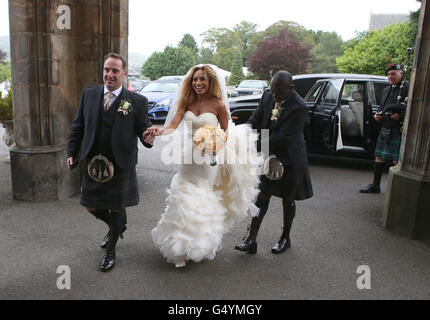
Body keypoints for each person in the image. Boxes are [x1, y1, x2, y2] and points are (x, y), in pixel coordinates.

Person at [145, 64, 260, 267]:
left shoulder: (219, 105)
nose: (198, 83)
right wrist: (158, 131)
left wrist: (215, 143)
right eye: (195, 79)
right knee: (182, 196)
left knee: (201, 199)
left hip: (208, 159)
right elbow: (172, 125)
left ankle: (197, 245)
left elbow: (225, 132)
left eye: (202, 79)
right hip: (188, 158)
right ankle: (178, 244)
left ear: (211, 82)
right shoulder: (186, 102)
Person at [66, 53, 154, 272]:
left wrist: (148, 136)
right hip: (93, 164)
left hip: (121, 164)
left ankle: (111, 250)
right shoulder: (89, 94)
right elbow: (78, 126)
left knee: (116, 208)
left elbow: (144, 128)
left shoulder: (137, 101)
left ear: (124, 74)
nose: (109, 74)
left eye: (115, 71)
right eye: (107, 69)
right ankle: (117, 226)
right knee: (89, 205)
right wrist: (71, 151)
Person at [235, 70, 313, 255]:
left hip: (290, 158)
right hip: (268, 154)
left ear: (290, 88)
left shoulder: (299, 107)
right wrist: (241, 132)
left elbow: (283, 136)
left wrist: (252, 145)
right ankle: (251, 239)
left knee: (288, 200)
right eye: (273, 92)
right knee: (263, 196)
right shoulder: (268, 95)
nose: (275, 97)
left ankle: (285, 238)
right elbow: (255, 119)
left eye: (279, 94)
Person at [360, 63, 409, 194]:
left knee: (397, 160)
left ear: (401, 74)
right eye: (388, 74)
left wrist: (401, 114)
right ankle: (375, 186)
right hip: (386, 126)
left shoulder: (407, 88)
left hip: (398, 128)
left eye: (393, 73)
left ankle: (398, 190)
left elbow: (412, 107)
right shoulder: (387, 90)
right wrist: (378, 114)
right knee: (379, 157)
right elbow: (382, 106)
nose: (390, 76)